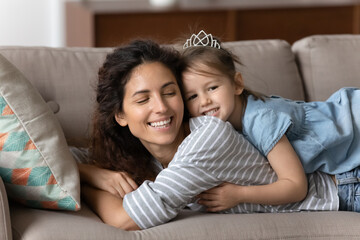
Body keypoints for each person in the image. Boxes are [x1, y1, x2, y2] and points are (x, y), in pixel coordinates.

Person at [80, 38, 338, 231]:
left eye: (170, 92)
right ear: (120, 115)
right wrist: (94, 173)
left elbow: (124, 219)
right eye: (143, 99)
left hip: (340, 191)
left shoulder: (208, 139)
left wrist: (82, 185)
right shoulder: (145, 152)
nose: (161, 107)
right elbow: (62, 157)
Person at [180, 30, 360, 213]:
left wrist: (239, 194)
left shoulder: (261, 121)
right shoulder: (229, 125)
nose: (204, 101)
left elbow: (296, 186)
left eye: (212, 87)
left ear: (237, 84)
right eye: (192, 96)